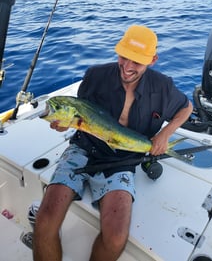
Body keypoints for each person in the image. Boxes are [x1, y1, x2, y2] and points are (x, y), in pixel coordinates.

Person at [33, 25, 193, 261]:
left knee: (116, 237)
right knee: (44, 220)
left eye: (137, 62)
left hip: (122, 159)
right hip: (83, 149)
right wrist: (65, 123)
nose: (127, 67)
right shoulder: (95, 75)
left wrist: (165, 135)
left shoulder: (163, 86)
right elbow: (82, 116)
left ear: (153, 60)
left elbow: (186, 108)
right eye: (123, 57)